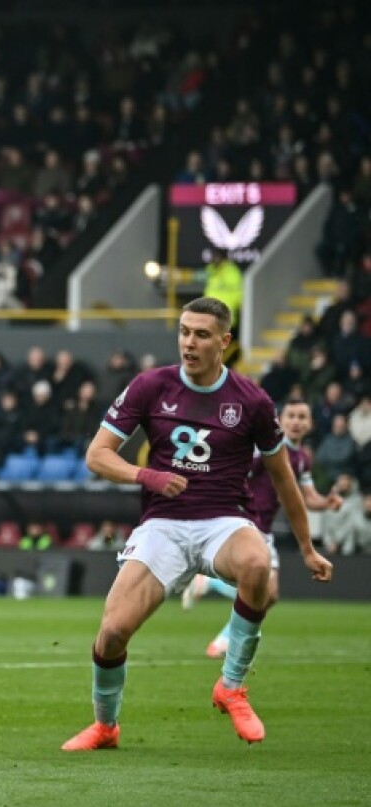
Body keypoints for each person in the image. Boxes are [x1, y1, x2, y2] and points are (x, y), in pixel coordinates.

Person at [62, 297, 333, 751]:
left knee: (256, 563)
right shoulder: (150, 386)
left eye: (201, 334)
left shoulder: (252, 401)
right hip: (163, 525)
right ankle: (106, 728)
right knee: (111, 634)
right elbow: (97, 455)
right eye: (185, 331)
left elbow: (284, 477)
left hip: (223, 521)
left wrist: (306, 547)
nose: (189, 341)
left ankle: (232, 686)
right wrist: (146, 474)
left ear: (224, 342)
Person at [181, 398, 342, 656]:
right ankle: (215, 606)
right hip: (246, 523)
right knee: (259, 588)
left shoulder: (302, 459)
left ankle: (221, 634)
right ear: (281, 419)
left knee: (270, 595)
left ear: (310, 424)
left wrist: (327, 503)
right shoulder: (267, 449)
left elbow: (308, 497)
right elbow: (237, 469)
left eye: (302, 417)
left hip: (264, 528)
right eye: (291, 416)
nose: (296, 422)